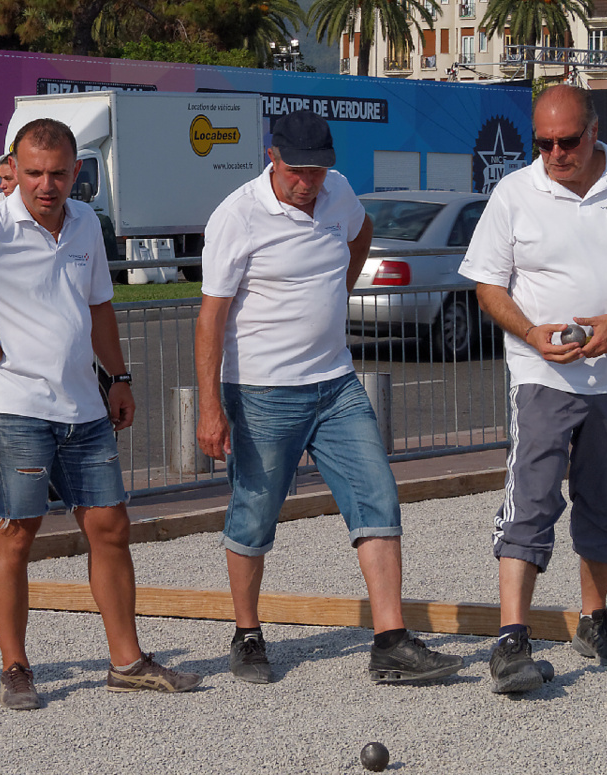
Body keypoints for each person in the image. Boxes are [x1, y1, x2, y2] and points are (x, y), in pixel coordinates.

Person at [0, 118, 201, 710]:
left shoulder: (87, 223)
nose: (48, 185)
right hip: (13, 408)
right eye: (36, 172)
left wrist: (118, 378)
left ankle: (126, 661)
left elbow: (98, 306)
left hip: (83, 407)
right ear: (11, 169)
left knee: (110, 529)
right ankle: (15, 667)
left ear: (76, 173)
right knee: (17, 534)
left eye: (60, 173)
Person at [195, 110, 464, 685]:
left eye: (317, 170)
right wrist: (210, 406)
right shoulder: (237, 217)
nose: (308, 182)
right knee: (255, 512)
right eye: (297, 170)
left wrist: (340, 286)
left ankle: (390, 639)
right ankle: (247, 633)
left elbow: (360, 231)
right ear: (273, 157)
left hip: (335, 381)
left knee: (378, 497)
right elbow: (210, 318)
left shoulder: (337, 192)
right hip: (263, 389)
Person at [459, 85, 607, 694]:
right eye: (542, 143)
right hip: (543, 375)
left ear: (593, 132)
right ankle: (511, 638)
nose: (554, 154)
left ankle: (593, 617)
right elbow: (487, 285)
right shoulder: (514, 193)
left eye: (566, 141)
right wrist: (533, 333)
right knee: (529, 499)